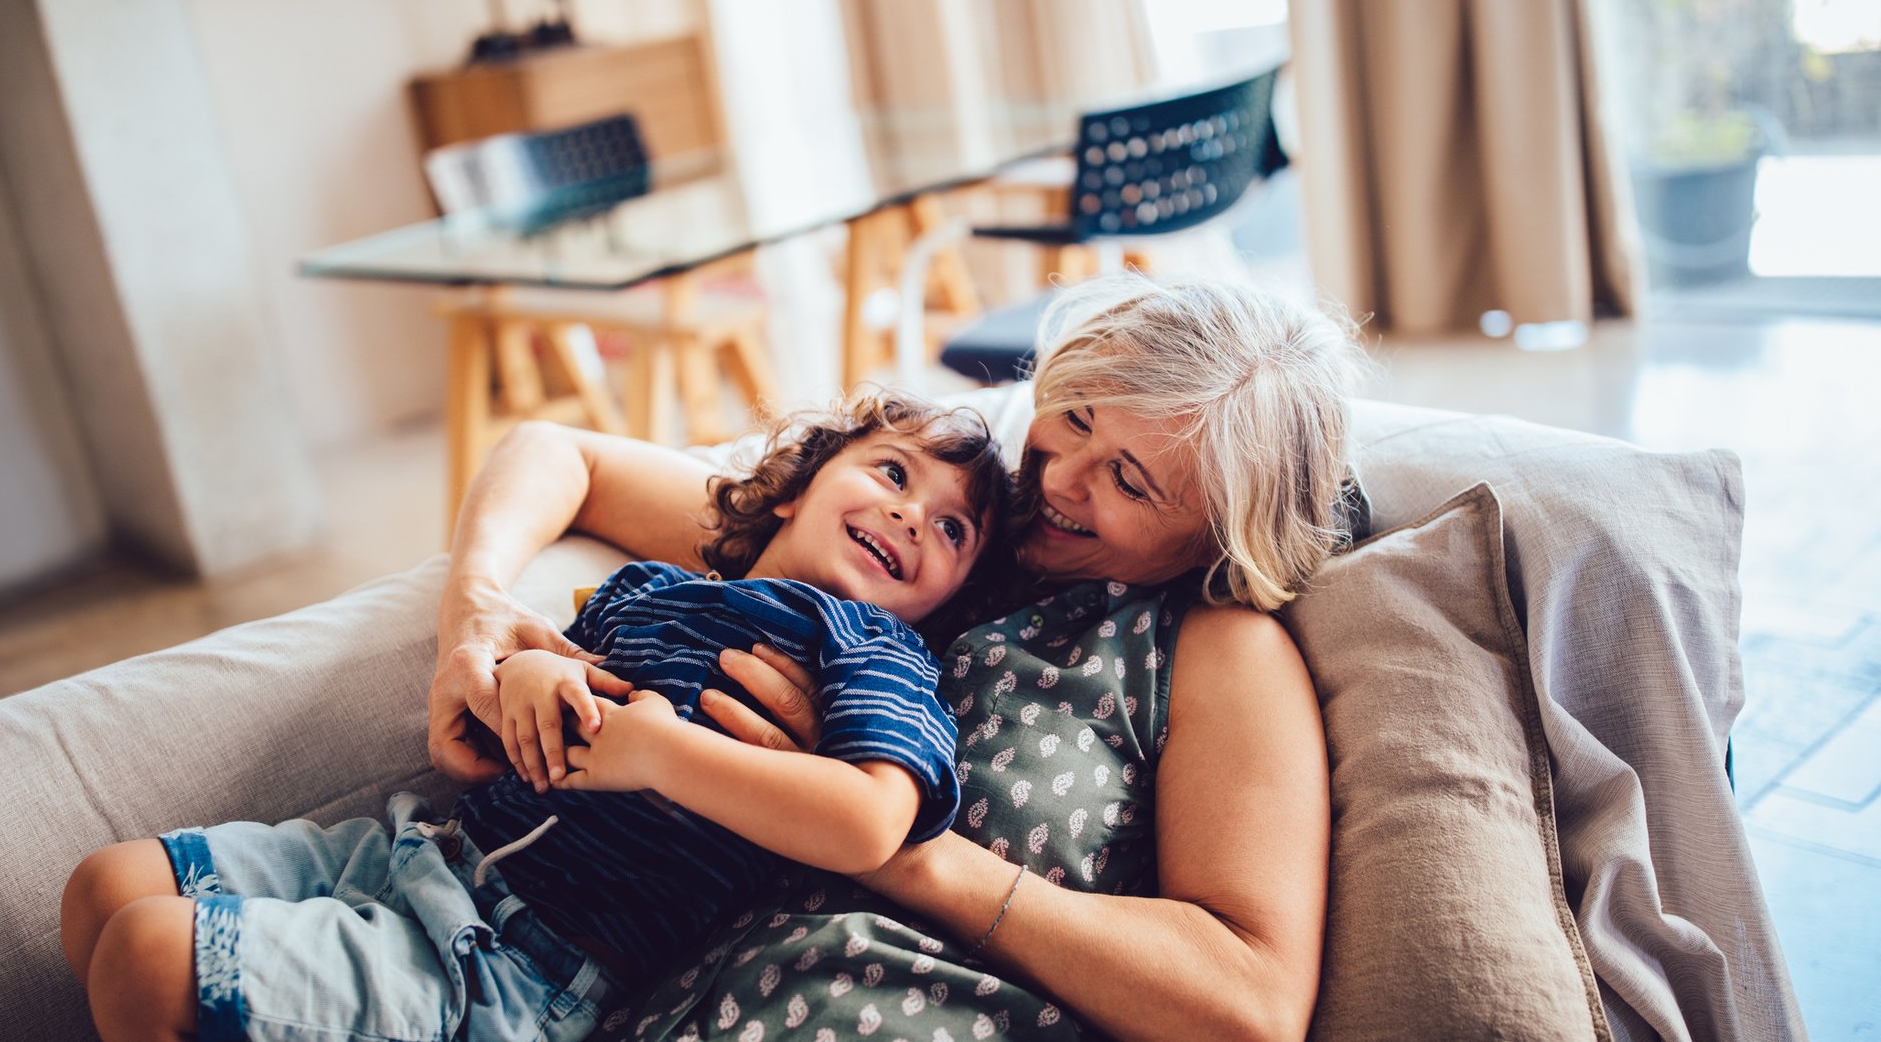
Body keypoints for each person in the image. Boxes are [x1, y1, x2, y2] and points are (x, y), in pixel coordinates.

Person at [420, 272, 1366, 1041]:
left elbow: (1248, 1002)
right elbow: (566, 458)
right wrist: (477, 612)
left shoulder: (1216, 650)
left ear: (1218, 539)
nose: (1058, 480)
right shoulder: (925, 542)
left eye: (1129, 481)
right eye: (1075, 416)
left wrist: (879, 840)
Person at [58, 393, 1016, 1042]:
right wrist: (518, 682)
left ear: (946, 602)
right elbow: (535, 683)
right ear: (800, 484)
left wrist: (663, 754)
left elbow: (869, 820)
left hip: (522, 970)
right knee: (107, 886)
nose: (909, 519)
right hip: (413, 856)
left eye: (950, 531)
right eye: (893, 476)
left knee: (147, 957)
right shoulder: (653, 587)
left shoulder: (873, 654)